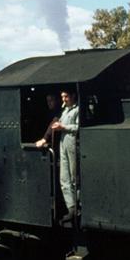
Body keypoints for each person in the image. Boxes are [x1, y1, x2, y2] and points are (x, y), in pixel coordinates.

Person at [52, 90, 79, 223]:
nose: (64, 99)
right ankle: (71, 207)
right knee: (64, 177)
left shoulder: (77, 110)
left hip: (72, 142)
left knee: (74, 176)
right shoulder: (64, 111)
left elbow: (78, 127)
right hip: (63, 142)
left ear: (73, 96)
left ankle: (78, 205)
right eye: (62, 97)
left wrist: (63, 127)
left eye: (66, 96)